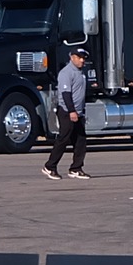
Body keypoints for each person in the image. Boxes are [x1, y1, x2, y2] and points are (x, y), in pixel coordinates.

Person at [43, 48, 91, 181]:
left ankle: (76, 168)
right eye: (79, 57)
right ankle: (50, 166)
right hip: (67, 111)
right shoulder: (66, 72)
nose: (82, 60)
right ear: (72, 57)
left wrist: (81, 111)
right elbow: (65, 94)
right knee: (63, 139)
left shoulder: (81, 73)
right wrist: (71, 111)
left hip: (78, 112)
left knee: (80, 140)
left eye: (84, 58)